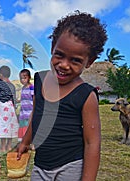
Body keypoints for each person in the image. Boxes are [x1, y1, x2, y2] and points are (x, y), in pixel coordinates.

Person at [17, 11, 107, 181]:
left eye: (75, 60)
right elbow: (36, 114)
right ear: (52, 48)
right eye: (59, 55)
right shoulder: (40, 80)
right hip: (40, 165)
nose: (64, 65)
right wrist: (25, 142)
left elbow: (92, 143)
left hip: (70, 167)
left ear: (89, 61)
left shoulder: (86, 95)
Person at [0, 65, 19, 152]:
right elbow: (14, 99)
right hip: (10, 107)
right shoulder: (12, 85)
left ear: (0, 75)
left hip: (2, 107)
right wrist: (14, 109)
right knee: (10, 126)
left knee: (3, 126)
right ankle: (9, 146)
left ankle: (3, 147)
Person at [18, 69, 34, 142]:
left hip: (29, 112)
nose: (22, 80)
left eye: (24, 78)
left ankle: (30, 142)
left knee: (29, 128)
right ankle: (23, 141)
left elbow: (34, 99)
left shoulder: (31, 88)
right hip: (23, 112)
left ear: (29, 78)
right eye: (21, 78)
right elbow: (23, 99)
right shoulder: (23, 88)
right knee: (23, 126)